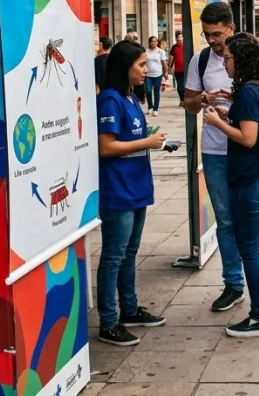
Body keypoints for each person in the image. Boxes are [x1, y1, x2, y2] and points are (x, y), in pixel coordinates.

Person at [184, 2, 259, 313]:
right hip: (215, 152)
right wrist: (203, 99)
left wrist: (237, 99)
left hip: (250, 154)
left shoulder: (254, 54)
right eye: (207, 34)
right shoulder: (200, 61)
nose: (212, 41)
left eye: (218, 34)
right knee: (225, 221)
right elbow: (188, 103)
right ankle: (234, 283)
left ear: (231, 28)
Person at [203, 33, 259, 338]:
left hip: (248, 180)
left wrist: (217, 123)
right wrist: (229, 116)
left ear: (242, 59)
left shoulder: (248, 91)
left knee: (249, 248)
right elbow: (252, 127)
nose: (226, 62)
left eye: (229, 57)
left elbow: (248, 139)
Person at [96, 40, 168, 346]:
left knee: (130, 252)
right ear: (125, 67)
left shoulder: (129, 98)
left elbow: (131, 136)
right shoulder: (110, 100)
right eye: (140, 64)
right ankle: (108, 321)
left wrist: (150, 137)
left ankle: (129, 308)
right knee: (113, 255)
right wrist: (146, 143)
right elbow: (106, 146)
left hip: (136, 187)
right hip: (119, 191)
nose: (146, 69)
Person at [144, 36, 167, 116]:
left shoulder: (160, 51)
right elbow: (143, 62)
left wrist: (166, 72)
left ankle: (155, 109)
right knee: (148, 91)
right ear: (149, 42)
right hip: (148, 75)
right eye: (152, 41)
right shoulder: (146, 52)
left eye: (155, 41)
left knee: (156, 92)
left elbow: (164, 63)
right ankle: (150, 106)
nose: (154, 43)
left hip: (158, 74)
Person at [169, 32, 186, 104]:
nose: (180, 39)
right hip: (178, 70)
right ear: (176, 39)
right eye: (178, 37)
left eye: (181, 37)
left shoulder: (186, 46)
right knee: (180, 88)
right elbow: (172, 58)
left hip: (187, 70)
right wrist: (170, 67)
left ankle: (185, 100)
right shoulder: (174, 47)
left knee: (186, 87)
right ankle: (182, 99)